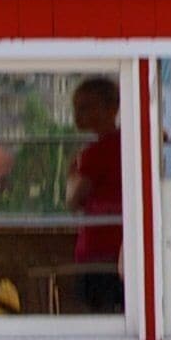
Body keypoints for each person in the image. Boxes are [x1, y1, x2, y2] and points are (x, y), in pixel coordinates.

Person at [62, 74, 125, 314]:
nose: (80, 115)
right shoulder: (126, 143)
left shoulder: (95, 152)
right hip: (122, 248)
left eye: (87, 107)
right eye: (78, 108)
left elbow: (73, 200)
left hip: (98, 251)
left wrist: (72, 174)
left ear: (112, 108)